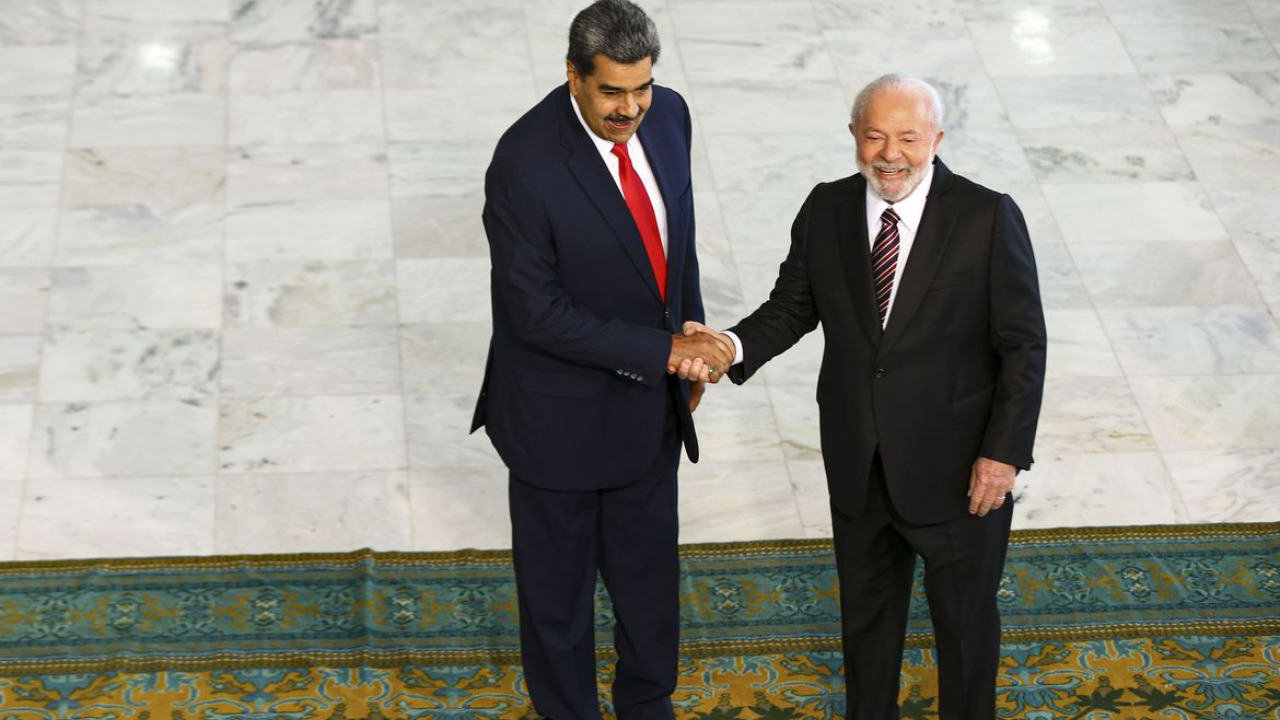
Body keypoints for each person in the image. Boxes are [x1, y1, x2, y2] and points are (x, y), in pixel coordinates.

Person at [679, 75, 1047, 720]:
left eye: (908, 137)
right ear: (854, 136)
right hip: (860, 460)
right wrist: (726, 348)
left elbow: (1024, 344)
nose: (890, 153)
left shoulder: (987, 215)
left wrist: (1004, 454)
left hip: (962, 470)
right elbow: (792, 306)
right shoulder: (827, 207)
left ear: (936, 138)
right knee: (866, 625)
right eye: (875, 136)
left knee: (964, 629)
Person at [469, 1, 732, 719]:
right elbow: (536, 312)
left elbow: (677, 239)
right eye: (612, 91)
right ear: (573, 76)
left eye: (641, 87)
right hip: (558, 424)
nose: (630, 108)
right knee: (559, 608)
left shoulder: (670, 117)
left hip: (650, 410)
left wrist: (691, 338)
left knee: (649, 589)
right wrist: (662, 352)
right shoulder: (524, 164)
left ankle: (648, 707)